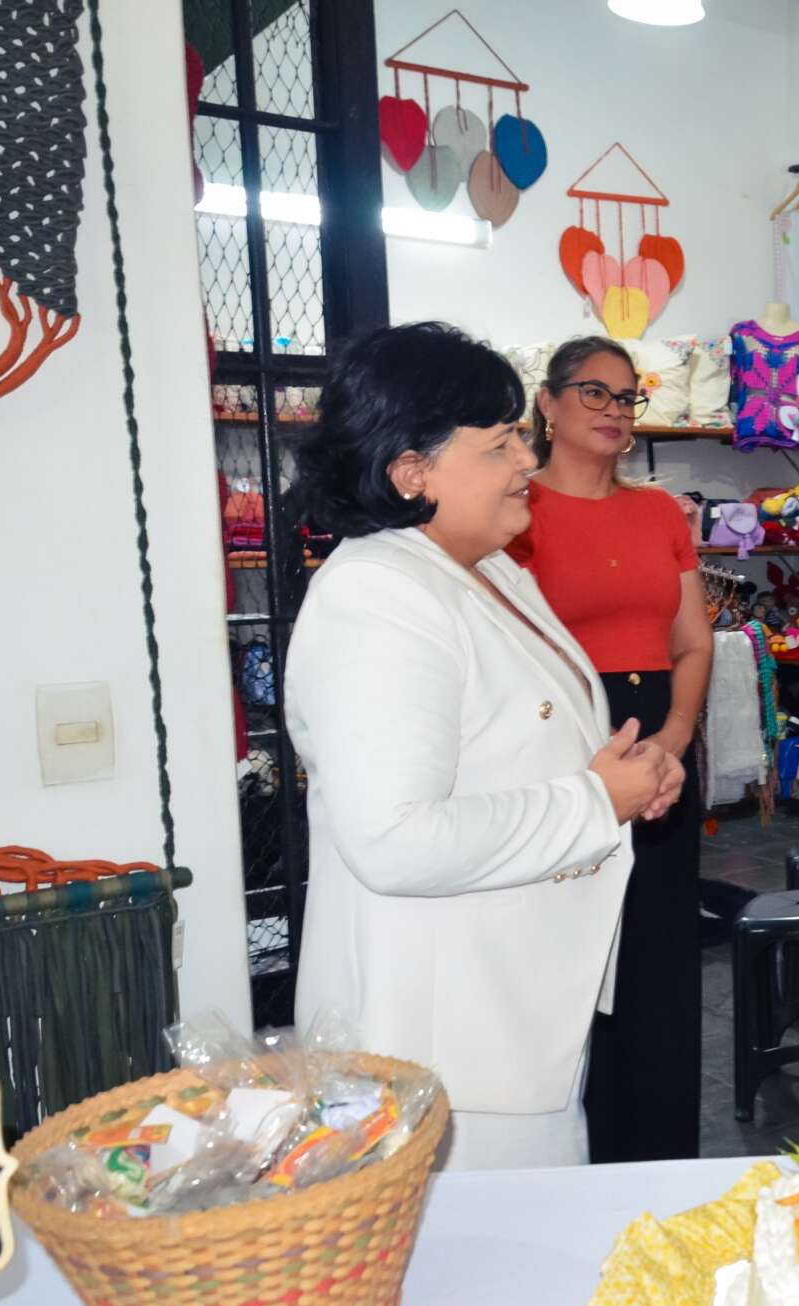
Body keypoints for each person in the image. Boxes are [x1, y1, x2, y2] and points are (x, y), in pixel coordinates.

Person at [286, 322, 684, 1170]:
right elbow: (394, 839)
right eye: (501, 443)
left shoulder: (489, 569)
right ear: (411, 471)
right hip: (442, 1039)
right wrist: (593, 802)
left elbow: (520, 748)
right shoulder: (377, 599)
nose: (528, 463)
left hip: (520, 1000)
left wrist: (625, 779)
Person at [508, 335, 714, 1164]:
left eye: (626, 397)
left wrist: (672, 740)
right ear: (548, 402)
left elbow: (693, 643)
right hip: (563, 754)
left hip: (659, 747)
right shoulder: (515, 512)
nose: (613, 411)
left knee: (660, 969)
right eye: (592, 392)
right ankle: (566, 1161)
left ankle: (661, 1166)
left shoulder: (661, 512)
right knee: (568, 964)